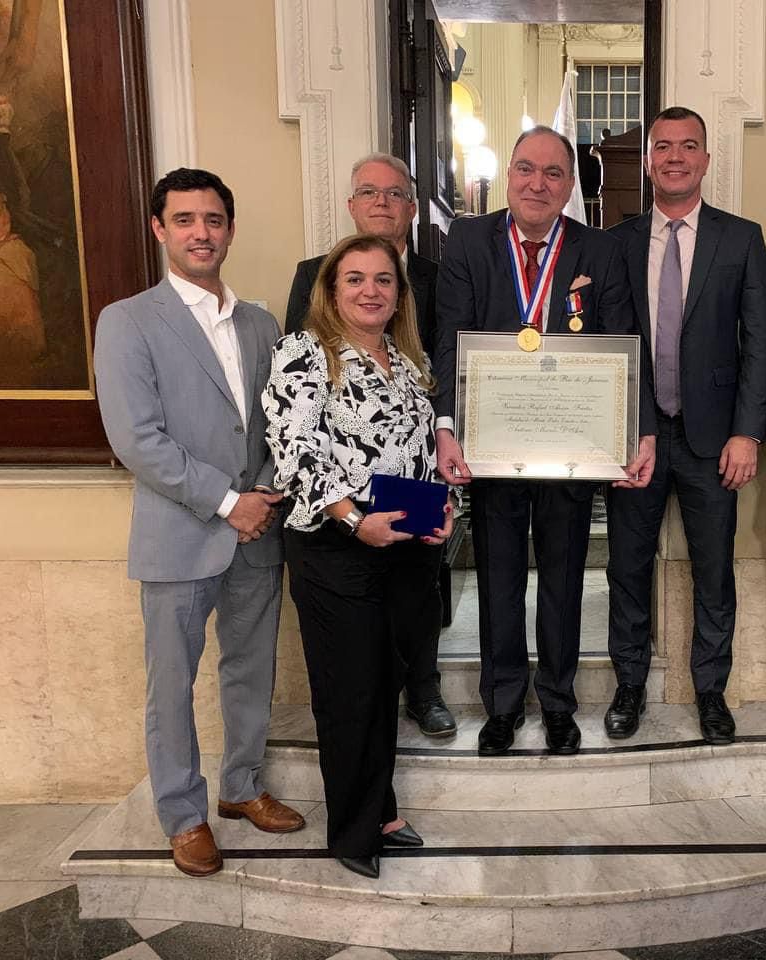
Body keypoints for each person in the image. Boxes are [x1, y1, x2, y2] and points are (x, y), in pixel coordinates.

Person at [94, 168, 304, 878]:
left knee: (250, 670)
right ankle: (183, 816)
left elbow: (282, 423)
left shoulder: (261, 324)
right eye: (184, 220)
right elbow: (136, 439)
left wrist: (264, 492)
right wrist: (227, 502)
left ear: (230, 230)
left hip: (258, 531)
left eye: (213, 220)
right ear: (160, 229)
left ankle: (241, 788)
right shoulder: (128, 321)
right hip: (182, 534)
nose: (200, 233)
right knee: (172, 685)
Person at [433, 125, 656, 757]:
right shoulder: (469, 239)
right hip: (493, 446)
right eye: (526, 169)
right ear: (509, 175)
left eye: (553, 173)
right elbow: (450, 337)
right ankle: (503, 706)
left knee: (563, 581)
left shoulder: (600, 249)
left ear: (569, 184)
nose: (538, 183)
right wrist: (446, 428)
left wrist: (636, 431)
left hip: (572, 445)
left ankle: (558, 703)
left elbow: (624, 342)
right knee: (499, 580)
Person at [264, 233, 453, 880]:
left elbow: (419, 453)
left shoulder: (408, 360)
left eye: (383, 280)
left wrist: (442, 509)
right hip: (335, 546)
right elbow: (295, 452)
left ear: (399, 294)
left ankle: (383, 810)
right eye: (355, 279)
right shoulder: (304, 352)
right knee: (350, 692)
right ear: (331, 289)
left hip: (405, 548)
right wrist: (351, 519)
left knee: (385, 683)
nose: (370, 290)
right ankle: (352, 829)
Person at [603, 106, 766, 744]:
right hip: (637, 438)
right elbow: (609, 344)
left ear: (705, 158)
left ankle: (710, 691)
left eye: (688, 146)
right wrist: (628, 429)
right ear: (649, 160)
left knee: (714, 572)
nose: (675, 157)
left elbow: (761, 342)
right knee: (627, 567)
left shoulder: (741, 239)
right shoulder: (617, 242)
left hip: (714, 440)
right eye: (663, 146)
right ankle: (628, 685)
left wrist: (747, 432)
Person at [283, 153, 454, 738]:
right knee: (356, 675)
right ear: (351, 206)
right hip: (344, 515)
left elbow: (442, 372)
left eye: (395, 193)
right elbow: (299, 409)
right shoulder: (312, 276)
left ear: (413, 207)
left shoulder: (438, 276)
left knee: (417, 605)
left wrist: (445, 490)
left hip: (415, 491)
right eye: (369, 192)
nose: (382, 202)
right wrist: (348, 512)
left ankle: (423, 687)